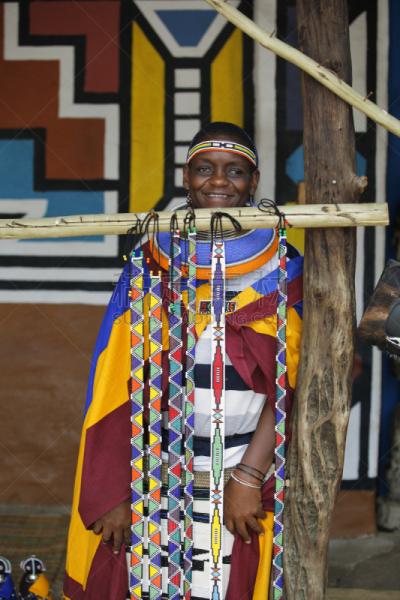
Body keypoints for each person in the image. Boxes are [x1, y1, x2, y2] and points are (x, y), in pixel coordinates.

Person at [62, 122, 303, 600]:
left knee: (227, 584)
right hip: (151, 468)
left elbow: (291, 384)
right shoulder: (150, 262)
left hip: (243, 467)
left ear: (254, 181)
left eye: (235, 171)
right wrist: (114, 488)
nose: (219, 181)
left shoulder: (283, 266)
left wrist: (249, 476)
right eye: (204, 169)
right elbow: (114, 382)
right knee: (147, 583)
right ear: (186, 178)